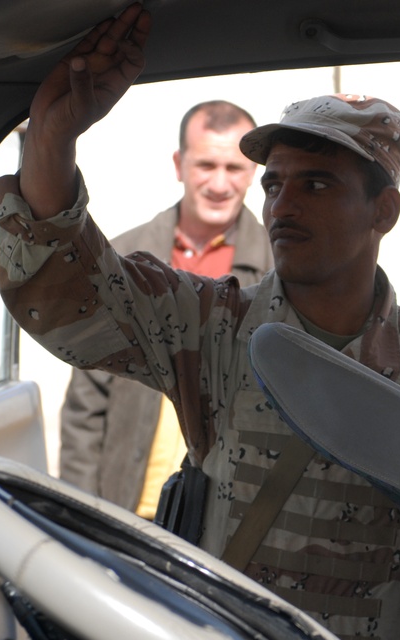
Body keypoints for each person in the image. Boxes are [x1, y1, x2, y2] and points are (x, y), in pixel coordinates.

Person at [0, 5, 400, 640]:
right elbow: (72, 294)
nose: (283, 205)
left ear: (383, 210)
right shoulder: (216, 326)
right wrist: (52, 140)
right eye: (276, 184)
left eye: (316, 184)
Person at [58, 99, 273, 519]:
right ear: (179, 164)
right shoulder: (121, 258)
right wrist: (79, 515)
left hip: (230, 519)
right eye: (206, 165)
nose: (219, 183)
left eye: (234, 168)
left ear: (253, 173)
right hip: (130, 511)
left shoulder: (277, 268)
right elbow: (86, 406)